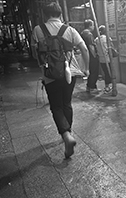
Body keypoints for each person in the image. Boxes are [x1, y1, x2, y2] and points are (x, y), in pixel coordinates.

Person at [31, 2, 89, 159]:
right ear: (60, 15)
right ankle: (68, 132)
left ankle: (66, 136)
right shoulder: (69, 30)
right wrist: (87, 68)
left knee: (56, 106)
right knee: (66, 104)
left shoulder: (38, 30)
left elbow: (35, 53)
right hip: (69, 73)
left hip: (50, 75)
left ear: (45, 15)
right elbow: (84, 48)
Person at [81, 19, 101, 93]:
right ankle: (92, 87)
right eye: (93, 25)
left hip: (86, 55)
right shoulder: (89, 34)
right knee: (94, 71)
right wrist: (95, 55)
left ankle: (89, 86)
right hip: (91, 56)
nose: (94, 26)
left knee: (90, 71)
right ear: (90, 25)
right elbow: (91, 46)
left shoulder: (83, 33)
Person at [95, 25, 112, 93]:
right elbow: (111, 47)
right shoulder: (107, 38)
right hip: (107, 58)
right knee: (109, 73)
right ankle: (107, 87)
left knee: (105, 72)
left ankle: (107, 85)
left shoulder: (96, 39)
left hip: (101, 59)